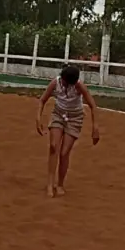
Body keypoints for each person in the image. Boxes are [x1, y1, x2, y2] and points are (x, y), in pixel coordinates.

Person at [36, 64, 100, 198]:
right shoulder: (56, 82)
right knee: (54, 146)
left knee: (64, 152)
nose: (65, 85)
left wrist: (95, 127)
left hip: (75, 118)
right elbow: (42, 100)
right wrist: (38, 119)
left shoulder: (79, 86)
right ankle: (50, 183)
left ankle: (60, 184)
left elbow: (93, 106)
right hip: (58, 114)